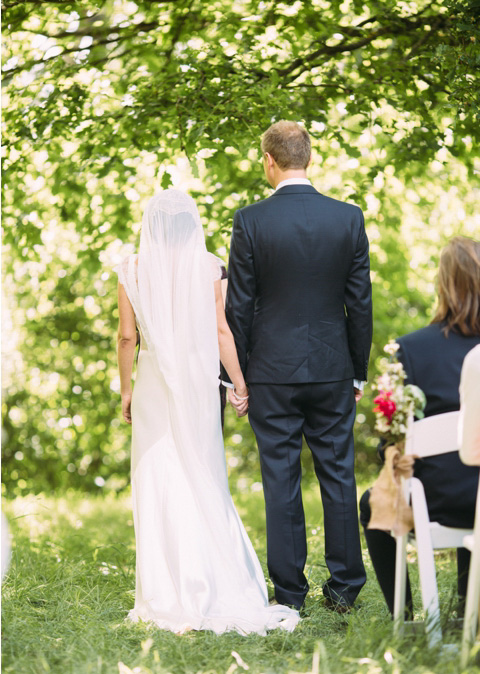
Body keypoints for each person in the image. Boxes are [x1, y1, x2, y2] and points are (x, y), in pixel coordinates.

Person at [116, 188, 298, 634]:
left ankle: (167, 586)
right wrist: (239, 381)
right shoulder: (210, 265)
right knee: (201, 470)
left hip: (154, 381)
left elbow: (126, 338)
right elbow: (222, 331)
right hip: (198, 381)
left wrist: (125, 390)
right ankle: (215, 577)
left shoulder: (131, 269)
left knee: (158, 474)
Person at [225, 121, 373, 612]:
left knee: (281, 480)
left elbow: (239, 307)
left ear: (270, 160)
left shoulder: (250, 221)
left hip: (270, 371)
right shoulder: (348, 218)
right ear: (308, 158)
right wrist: (357, 372)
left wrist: (236, 378)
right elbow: (360, 303)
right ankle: (345, 589)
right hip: (333, 368)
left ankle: (289, 594)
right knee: (339, 474)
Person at [359, 236, 480, 617]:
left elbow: (391, 438)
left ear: (442, 285)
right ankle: (467, 607)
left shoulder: (410, 349)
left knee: (370, 504)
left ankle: (405, 613)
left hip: (437, 497)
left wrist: (391, 453)